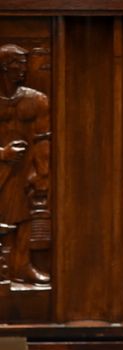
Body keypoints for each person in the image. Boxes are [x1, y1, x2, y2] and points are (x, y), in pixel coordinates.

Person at [0, 43, 51, 285]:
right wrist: (3, 153)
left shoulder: (36, 100)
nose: (22, 69)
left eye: (23, 64)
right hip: (2, 165)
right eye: (16, 64)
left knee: (24, 218)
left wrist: (42, 172)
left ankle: (21, 266)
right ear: (3, 67)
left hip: (22, 171)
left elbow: (42, 140)